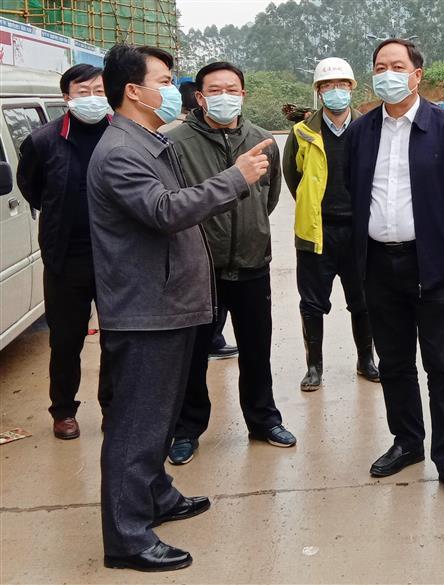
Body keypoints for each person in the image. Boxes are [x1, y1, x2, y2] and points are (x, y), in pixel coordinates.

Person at [87, 44, 273, 572]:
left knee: (158, 417)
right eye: (165, 81)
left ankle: (156, 495)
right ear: (134, 91)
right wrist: (236, 177)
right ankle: (126, 538)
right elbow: (165, 210)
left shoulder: (147, 140)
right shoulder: (121, 151)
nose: (176, 90)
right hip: (146, 308)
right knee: (137, 424)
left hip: (167, 301)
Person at [344, 39, 444, 503]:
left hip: (433, 267)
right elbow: (351, 191)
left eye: (397, 65)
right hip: (378, 265)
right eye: (379, 66)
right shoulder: (361, 132)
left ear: (417, 74)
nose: (387, 73)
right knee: (395, 362)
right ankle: (407, 441)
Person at [165, 61, 295, 466]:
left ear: (243, 94)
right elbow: (174, 205)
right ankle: (187, 428)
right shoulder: (176, 143)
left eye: (232, 89)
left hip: (253, 262)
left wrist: (249, 229)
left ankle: (263, 420)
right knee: (192, 354)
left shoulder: (262, 140)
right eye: (215, 90)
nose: (225, 97)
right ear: (200, 97)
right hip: (200, 268)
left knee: (256, 349)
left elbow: (268, 198)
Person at [16, 64, 113, 440]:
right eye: (83, 91)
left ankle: (112, 408)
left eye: (99, 90)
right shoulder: (43, 141)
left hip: (115, 256)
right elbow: (31, 187)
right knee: (65, 339)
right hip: (65, 258)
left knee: (117, 338)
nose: (92, 98)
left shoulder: (120, 134)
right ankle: (63, 411)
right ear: (66, 97)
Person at [282, 57, 379, 392]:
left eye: (341, 84)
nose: (335, 90)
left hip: (359, 233)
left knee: (363, 301)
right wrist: (313, 207)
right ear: (319, 91)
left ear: (351, 88)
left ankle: (366, 360)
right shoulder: (302, 132)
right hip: (316, 232)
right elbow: (293, 178)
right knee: (312, 304)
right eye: (327, 85)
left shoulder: (369, 128)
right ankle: (314, 367)